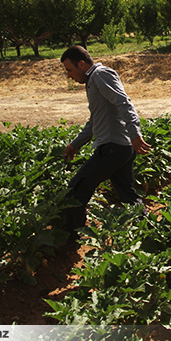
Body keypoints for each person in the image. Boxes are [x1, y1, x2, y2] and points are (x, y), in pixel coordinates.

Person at [60, 45, 151, 232]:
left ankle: (69, 237)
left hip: (112, 148)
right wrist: (75, 145)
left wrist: (135, 134)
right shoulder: (93, 80)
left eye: (69, 70)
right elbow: (95, 121)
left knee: (76, 189)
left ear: (82, 64)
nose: (68, 75)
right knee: (127, 194)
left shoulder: (100, 75)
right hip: (121, 148)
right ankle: (151, 230)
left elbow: (124, 103)